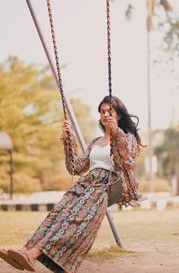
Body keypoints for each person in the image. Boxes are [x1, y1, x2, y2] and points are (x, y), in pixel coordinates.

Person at [0, 95, 144, 273]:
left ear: (119, 115)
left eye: (110, 111)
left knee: (74, 221)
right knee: (57, 215)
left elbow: (125, 159)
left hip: (106, 185)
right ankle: (25, 250)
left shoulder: (127, 138)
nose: (105, 114)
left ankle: (34, 253)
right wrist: (69, 141)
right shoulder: (95, 142)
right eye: (102, 111)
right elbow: (75, 167)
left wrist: (116, 132)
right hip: (86, 183)